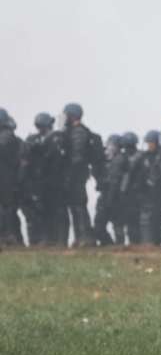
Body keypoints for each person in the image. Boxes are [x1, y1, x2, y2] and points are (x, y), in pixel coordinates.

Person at [60, 103, 104, 247]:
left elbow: (77, 157)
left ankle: (86, 237)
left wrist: (69, 174)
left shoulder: (78, 132)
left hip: (76, 174)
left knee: (78, 205)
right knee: (75, 205)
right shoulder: (72, 131)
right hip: (75, 174)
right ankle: (80, 237)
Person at [21, 113, 66, 246]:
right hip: (42, 180)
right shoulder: (37, 139)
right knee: (44, 211)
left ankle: (53, 239)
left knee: (51, 211)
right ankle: (47, 239)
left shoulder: (55, 138)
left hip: (50, 180)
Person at [93, 134, 124, 245]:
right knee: (99, 226)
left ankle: (119, 247)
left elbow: (115, 181)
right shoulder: (105, 162)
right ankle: (110, 245)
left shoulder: (120, 160)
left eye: (113, 146)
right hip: (105, 195)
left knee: (117, 225)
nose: (110, 149)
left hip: (116, 197)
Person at [134, 131, 161, 244]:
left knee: (157, 220)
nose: (150, 145)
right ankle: (147, 243)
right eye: (148, 143)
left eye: (152, 143)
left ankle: (155, 242)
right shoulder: (142, 157)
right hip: (145, 192)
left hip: (159, 193)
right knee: (145, 219)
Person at [0, 109, 21, 246]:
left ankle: (7, 236)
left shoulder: (6, 135)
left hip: (5, 177)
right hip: (5, 176)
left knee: (5, 207)